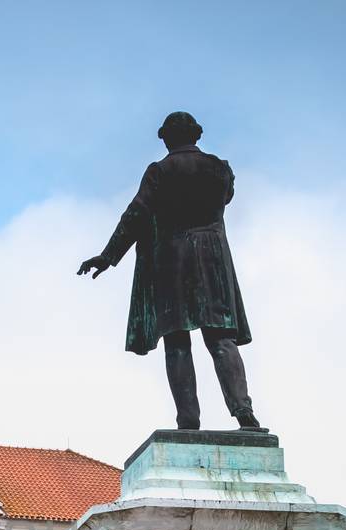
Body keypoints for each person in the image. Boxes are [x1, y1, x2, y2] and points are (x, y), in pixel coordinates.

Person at [78, 111, 262, 432]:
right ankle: (243, 410)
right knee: (221, 339)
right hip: (212, 260)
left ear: (165, 138)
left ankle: (188, 419)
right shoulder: (219, 169)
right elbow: (227, 197)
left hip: (172, 262)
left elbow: (136, 214)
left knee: (177, 342)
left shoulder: (160, 172)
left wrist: (108, 256)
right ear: (197, 135)